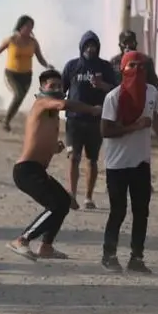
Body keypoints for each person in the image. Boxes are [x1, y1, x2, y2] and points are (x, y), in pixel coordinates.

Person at [5, 69, 102, 261]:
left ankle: (46, 247)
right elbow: (64, 103)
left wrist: (54, 148)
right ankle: (22, 240)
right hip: (26, 170)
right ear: (42, 87)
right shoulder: (42, 103)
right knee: (56, 204)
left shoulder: (51, 114)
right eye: (52, 85)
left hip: (38, 170)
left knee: (65, 202)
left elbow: (40, 139)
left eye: (59, 86)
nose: (56, 89)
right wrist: (91, 109)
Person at [100, 51, 158, 273]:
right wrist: (134, 127)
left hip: (141, 163)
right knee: (118, 210)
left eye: (142, 66)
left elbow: (154, 118)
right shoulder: (113, 97)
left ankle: (136, 257)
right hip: (117, 165)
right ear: (123, 68)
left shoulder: (151, 92)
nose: (137, 70)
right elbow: (106, 130)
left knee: (141, 211)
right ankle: (109, 254)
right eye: (132, 65)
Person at [62, 31, 117, 210]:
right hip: (74, 120)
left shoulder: (105, 67)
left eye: (93, 46)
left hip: (95, 120)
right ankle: (71, 194)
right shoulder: (72, 66)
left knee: (91, 159)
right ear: (82, 46)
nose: (90, 49)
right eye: (87, 45)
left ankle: (88, 196)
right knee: (73, 157)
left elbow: (116, 90)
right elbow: (61, 90)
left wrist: (102, 86)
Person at [0, 15, 50, 132]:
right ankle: (6, 121)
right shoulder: (11, 40)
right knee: (19, 94)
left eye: (32, 27)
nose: (30, 29)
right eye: (27, 26)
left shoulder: (33, 42)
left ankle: (7, 120)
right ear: (20, 26)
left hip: (27, 75)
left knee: (19, 99)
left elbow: (40, 58)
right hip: (11, 74)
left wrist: (47, 65)